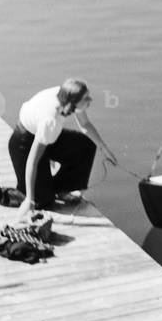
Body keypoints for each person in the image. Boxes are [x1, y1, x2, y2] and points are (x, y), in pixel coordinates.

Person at [10, 79, 119, 220]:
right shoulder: (51, 121)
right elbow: (32, 162)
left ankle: (63, 189)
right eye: (86, 98)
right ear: (72, 102)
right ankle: (36, 193)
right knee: (43, 200)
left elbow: (84, 123)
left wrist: (104, 148)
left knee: (86, 146)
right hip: (23, 143)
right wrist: (29, 199)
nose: (90, 100)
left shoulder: (65, 96)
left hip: (45, 135)